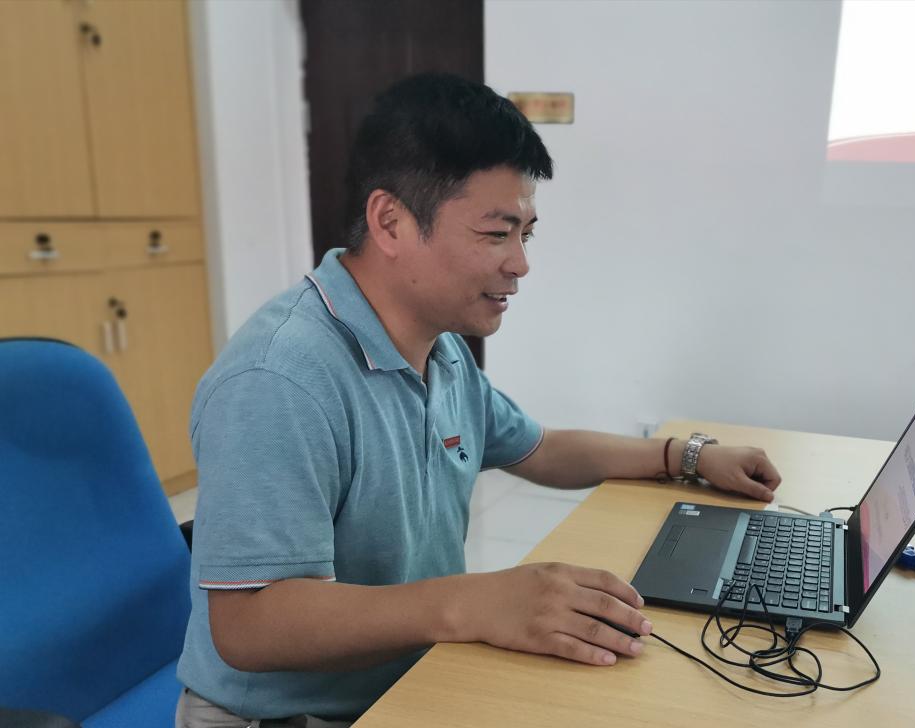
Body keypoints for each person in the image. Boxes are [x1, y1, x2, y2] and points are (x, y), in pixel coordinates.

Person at [175, 73, 782, 728]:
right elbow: (248, 626)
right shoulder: (279, 380)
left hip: (410, 678)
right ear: (390, 222)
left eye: (526, 234)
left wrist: (685, 455)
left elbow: (540, 449)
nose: (520, 263)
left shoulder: (438, 348)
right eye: (496, 234)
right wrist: (470, 603)